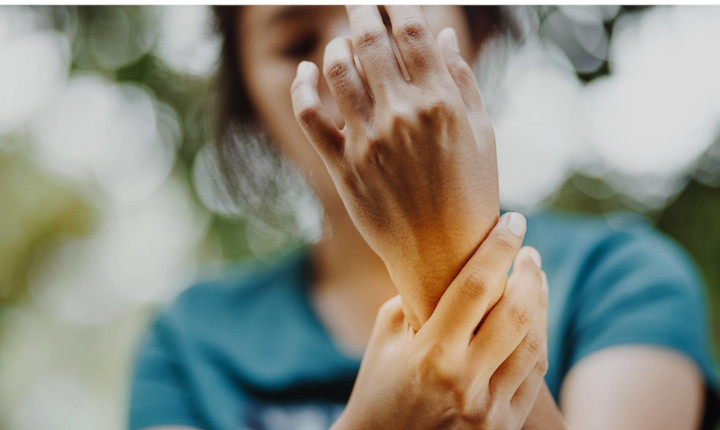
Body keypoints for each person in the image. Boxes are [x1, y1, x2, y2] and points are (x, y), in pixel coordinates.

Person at [128, 6, 720, 430]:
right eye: (297, 43)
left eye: (387, 23)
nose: (352, 65)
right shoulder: (190, 345)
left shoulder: (620, 281)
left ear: (477, 31)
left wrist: (442, 252)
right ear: (251, 103)